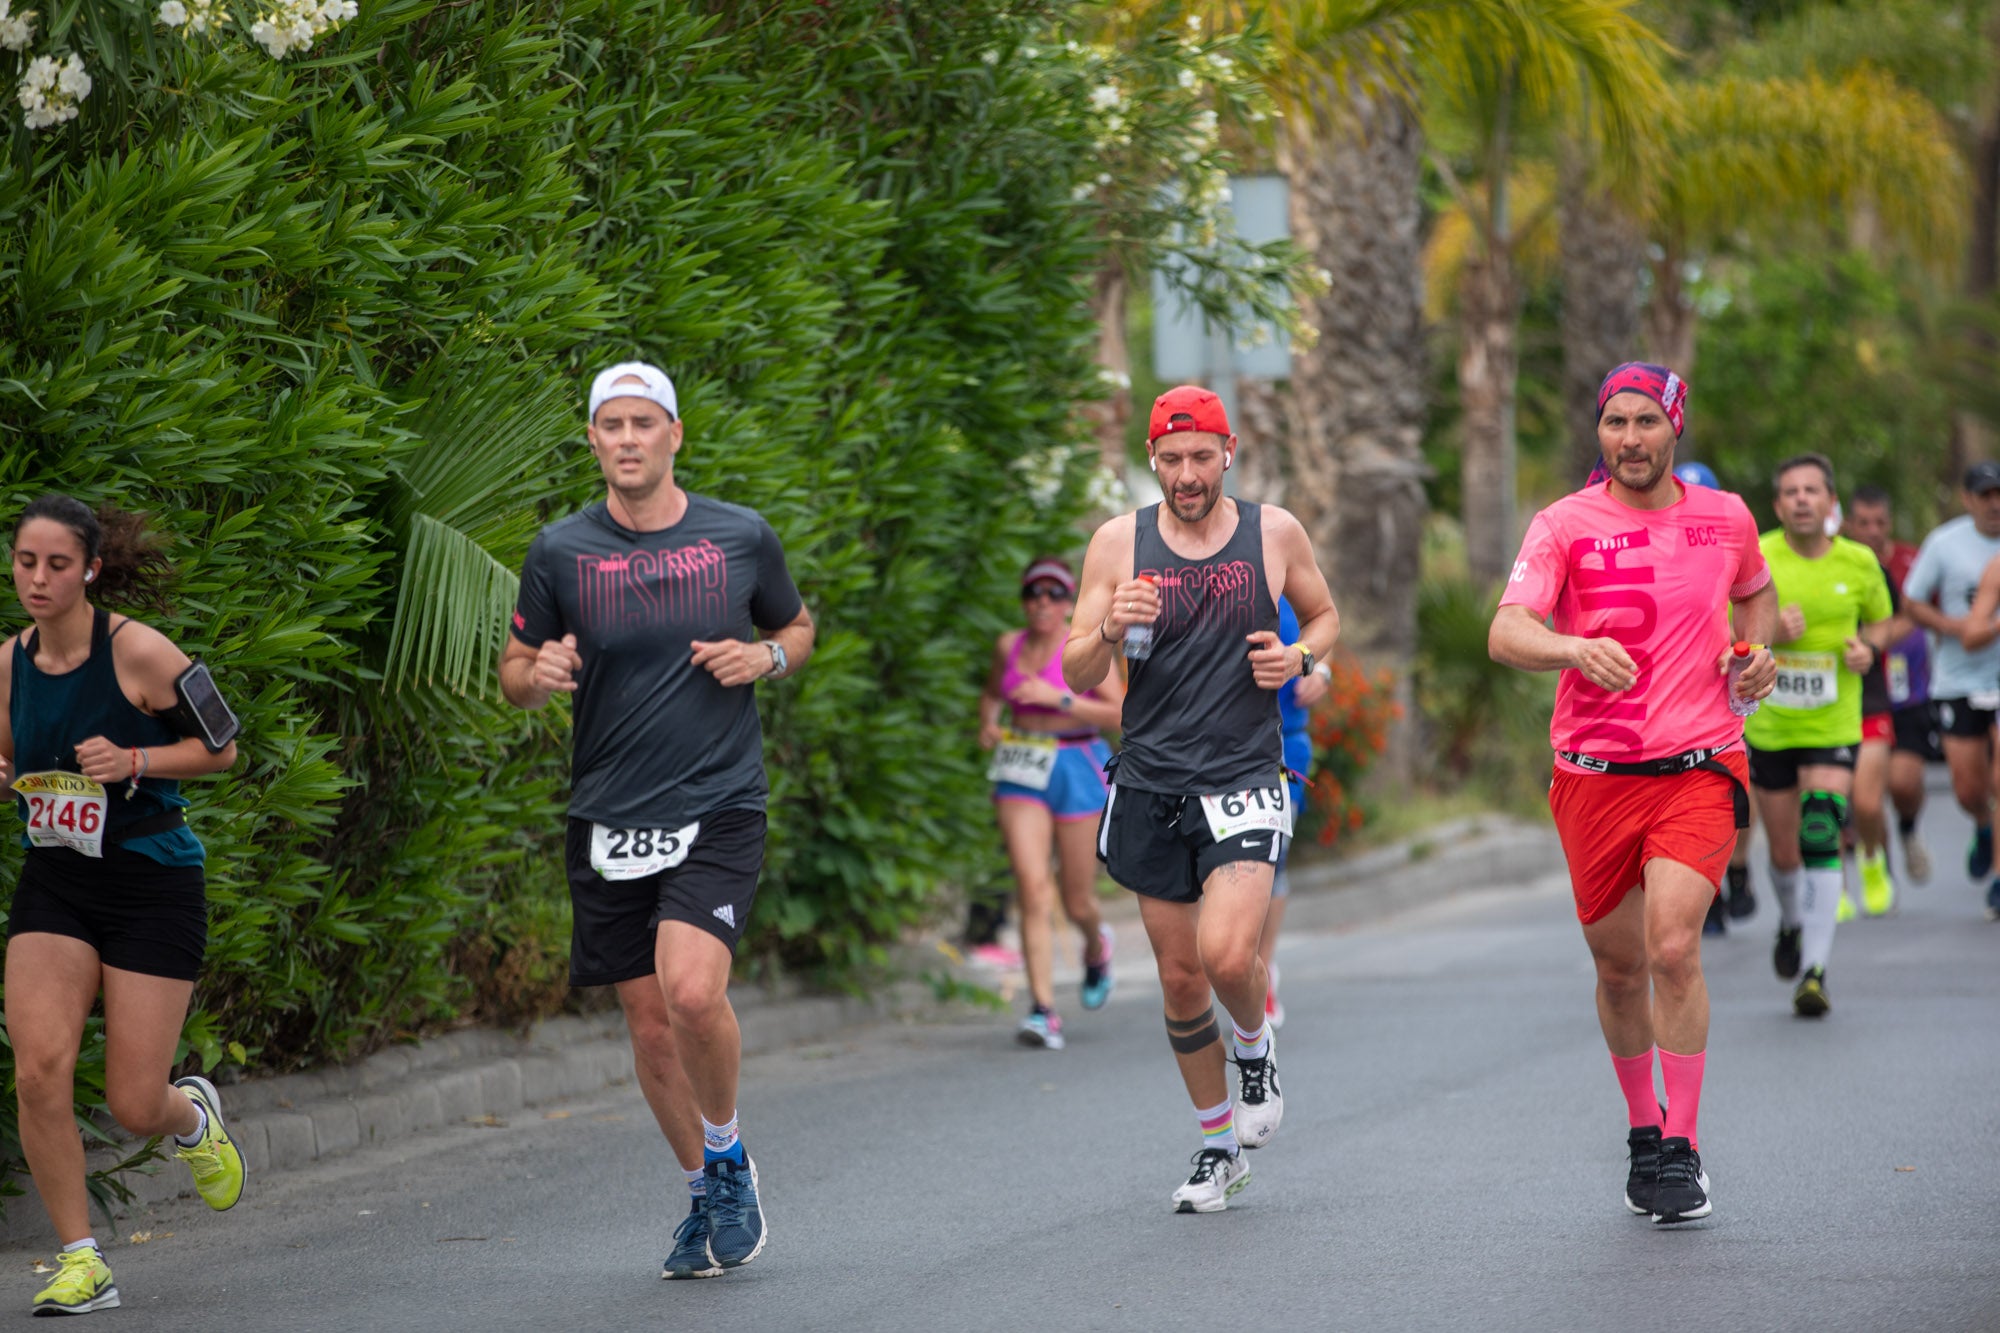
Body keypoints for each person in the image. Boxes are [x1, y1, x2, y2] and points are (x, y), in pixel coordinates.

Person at [500, 362, 815, 1280]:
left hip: (717, 801)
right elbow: (514, 669)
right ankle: (702, 1190)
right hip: (607, 811)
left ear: (675, 434)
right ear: (593, 440)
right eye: (611, 424)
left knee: (688, 992)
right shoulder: (560, 550)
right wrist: (539, 677)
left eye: (644, 422)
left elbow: (797, 629)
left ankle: (727, 1153)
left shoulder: (739, 537)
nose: (628, 438)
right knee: (646, 1024)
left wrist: (764, 658)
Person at [1489, 362, 1777, 1226]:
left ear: (1674, 428)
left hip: (1699, 764)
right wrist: (1573, 650)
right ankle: (1642, 1131)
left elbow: (1755, 593)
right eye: (1615, 423)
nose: (1629, 439)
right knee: (1619, 970)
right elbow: (1508, 632)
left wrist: (1753, 658)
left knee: (1672, 948)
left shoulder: (1724, 518)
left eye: (1646, 422)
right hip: (1594, 776)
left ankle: (1682, 1149)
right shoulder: (1562, 524)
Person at [1064, 385, 1338, 1214]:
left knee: (1226, 954)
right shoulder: (1118, 543)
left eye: (1202, 457)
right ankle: (1218, 1146)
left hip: (1246, 775)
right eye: (1173, 459)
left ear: (1229, 453)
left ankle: (1255, 1046)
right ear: (1154, 460)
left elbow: (1325, 617)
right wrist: (1109, 626)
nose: (1188, 474)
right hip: (1150, 782)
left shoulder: (1273, 531)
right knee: (1182, 979)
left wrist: (1296, 658)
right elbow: (1076, 670)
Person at [2, 495, 246, 1316]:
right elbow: (10, 753)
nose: (38, 578)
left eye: (57, 564)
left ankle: (190, 1118)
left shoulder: (139, 651)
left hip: (151, 879)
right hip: (58, 882)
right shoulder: (6, 663)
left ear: (92, 569)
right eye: (26, 561)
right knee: (38, 1068)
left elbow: (225, 745)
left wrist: (136, 756)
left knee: (135, 1102)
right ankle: (83, 1260)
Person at [1743, 455, 1893, 1017]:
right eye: (1790, 492)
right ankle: (1789, 920)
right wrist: (1770, 629)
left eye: (1812, 490)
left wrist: (1869, 647)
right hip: (1773, 724)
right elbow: (1725, 621)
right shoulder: (1758, 556)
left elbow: (1882, 619)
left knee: (1820, 829)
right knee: (1783, 853)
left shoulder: (1858, 562)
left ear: (1832, 503)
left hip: (1833, 721)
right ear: (1778, 505)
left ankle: (1815, 969)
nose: (1801, 499)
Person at [978, 557, 1125, 1048]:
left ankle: (1094, 942)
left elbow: (1120, 712)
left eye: (1055, 594)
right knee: (1032, 886)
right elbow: (991, 693)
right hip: (1022, 766)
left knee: (1075, 897)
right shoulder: (1008, 645)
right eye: (1033, 593)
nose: (1043, 603)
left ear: (1069, 602)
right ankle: (1042, 1010)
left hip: (1077, 763)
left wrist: (1057, 698)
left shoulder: (1080, 647)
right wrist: (989, 722)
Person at [1901, 462, 2000, 919]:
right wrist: (1953, 627)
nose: (1995, 503)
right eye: (1985, 495)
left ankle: (1998, 878)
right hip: (1959, 678)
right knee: (1969, 787)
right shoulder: (1945, 543)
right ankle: (1982, 823)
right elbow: (1913, 601)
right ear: (1968, 498)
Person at [1840, 486, 1930, 912]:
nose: (1873, 531)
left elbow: (1913, 613)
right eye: (1864, 523)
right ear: (1849, 524)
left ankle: (1908, 829)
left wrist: (1874, 642)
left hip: (1906, 690)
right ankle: (1875, 861)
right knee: (1858, 794)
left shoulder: (1908, 562)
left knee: (1904, 783)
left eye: (1881, 523)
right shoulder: (1840, 562)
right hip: (1854, 692)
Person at [1258, 594, 1331, 1029]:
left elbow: (1323, 624)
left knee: (1272, 857)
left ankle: (1262, 972)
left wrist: (1320, 669)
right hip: (1212, 751)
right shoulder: (1206, 565)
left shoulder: (1282, 559)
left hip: (1284, 745)